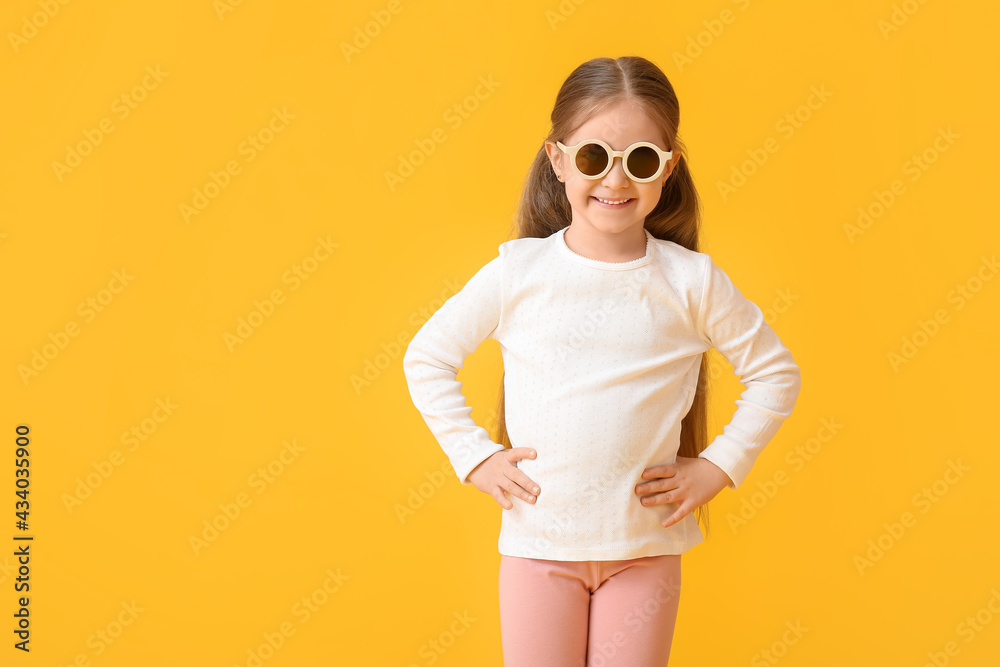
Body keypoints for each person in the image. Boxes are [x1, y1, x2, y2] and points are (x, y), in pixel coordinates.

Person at [401, 55, 802, 667]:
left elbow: (775, 374)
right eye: (594, 157)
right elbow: (427, 357)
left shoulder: (690, 282)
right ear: (558, 160)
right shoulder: (519, 273)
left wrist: (719, 466)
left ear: (667, 169)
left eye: (640, 160)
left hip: (644, 550)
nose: (616, 181)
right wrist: (475, 456)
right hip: (539, 548)